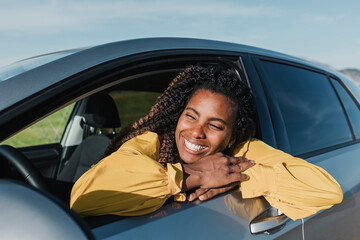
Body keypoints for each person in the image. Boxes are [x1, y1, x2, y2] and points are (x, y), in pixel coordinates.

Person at [70, 64, 343, 221]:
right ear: (178, 116)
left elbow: (327, 192)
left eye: (215, 125)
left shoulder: (242, 150)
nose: (196, 132)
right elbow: (83, 197)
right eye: (191, 116)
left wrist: (234, 174)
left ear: (232, 136)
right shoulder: (151, 142)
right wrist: (195, 174)